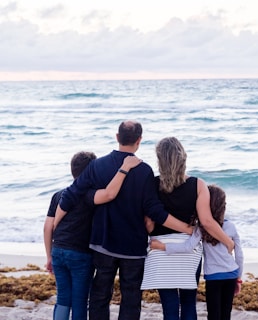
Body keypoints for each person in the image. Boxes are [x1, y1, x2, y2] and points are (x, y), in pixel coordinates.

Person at [53, 121, 193, 320]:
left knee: (100, 295)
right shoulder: (144, 171)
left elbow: (71, 195)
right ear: (139, 140)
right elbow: (155, 211)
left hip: (102, 243)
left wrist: (56, 225)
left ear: (117, 137)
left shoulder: (97, 165)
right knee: (131, 298)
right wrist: (187, 229)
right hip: (133, 247)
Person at [141, 137, 235, 320]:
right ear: (183, 158)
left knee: (169, 305)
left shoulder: (151, 184)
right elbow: (207, 221)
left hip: (161, 250)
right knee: (188, 302)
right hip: (189, 250)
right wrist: (228, 241)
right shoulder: (198, 184)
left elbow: (148, 224)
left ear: (160, 160)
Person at [44, 151, 141, 320]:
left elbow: (47, 227)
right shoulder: (89, 195)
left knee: (63, 299)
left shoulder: (59, 194)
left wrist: (49, 256)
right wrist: (125, 168)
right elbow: (110, 193)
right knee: (80, 300)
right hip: (81, 254)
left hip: (58, 250)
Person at [151, 184, 244, 320]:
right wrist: (239, 278)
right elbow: (239, 255)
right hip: (231, 275)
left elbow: (187, 247)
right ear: (223, 205)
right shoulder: (231, 226)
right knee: (226, 313)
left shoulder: (201, 228)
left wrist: (163, 247)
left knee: (213, 314)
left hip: (213, 277)